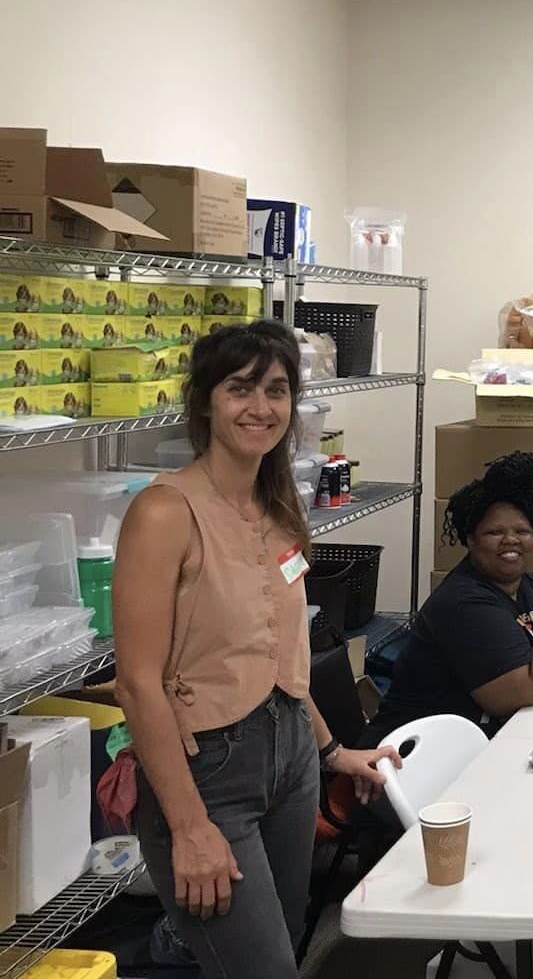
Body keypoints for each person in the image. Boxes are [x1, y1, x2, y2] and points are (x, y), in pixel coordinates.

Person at [113, 320, 400, 979]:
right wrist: (188, 826)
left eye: (276, 390)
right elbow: (136, 684)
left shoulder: (279, 512)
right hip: (210, 772)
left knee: (281, 936)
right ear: (205, 401)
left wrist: (330, 752)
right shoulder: (164, 512)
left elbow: (282, 655)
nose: (260, 407)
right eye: (239, 388)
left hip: (291, 755)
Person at [361, 451, 533, 745]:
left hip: (482, 742)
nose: (511, 540)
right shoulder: (464, 603)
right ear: (471, 539)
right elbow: (521, 694)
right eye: (494, 532)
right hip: (419, 759)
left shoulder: (531, 587)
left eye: (522, 531)